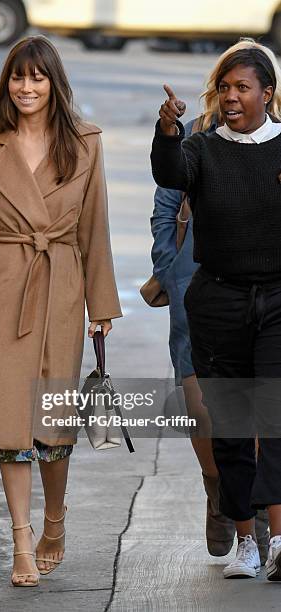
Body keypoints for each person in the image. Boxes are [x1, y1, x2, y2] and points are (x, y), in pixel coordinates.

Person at [0, 36, 122, 587]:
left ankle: (53, 522)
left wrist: (101, 303)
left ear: (54, 83)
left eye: (37, 78)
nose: (26, 88)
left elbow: (94, 227)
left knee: (52, 421)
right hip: (4, 283)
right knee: (12, 421)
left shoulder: (85, 141)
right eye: (17, 77)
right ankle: (20, 542)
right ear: (6, 83)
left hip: (61, 283)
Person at [151, 44, 281, 581]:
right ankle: (247, 543)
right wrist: (167, 132)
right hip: (218, 300)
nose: (231, 97)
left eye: (242, 88)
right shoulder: (202, 148)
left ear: (267, 96)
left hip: (277, 299)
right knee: (230, 423)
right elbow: (169, 173)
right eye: (225, 88)